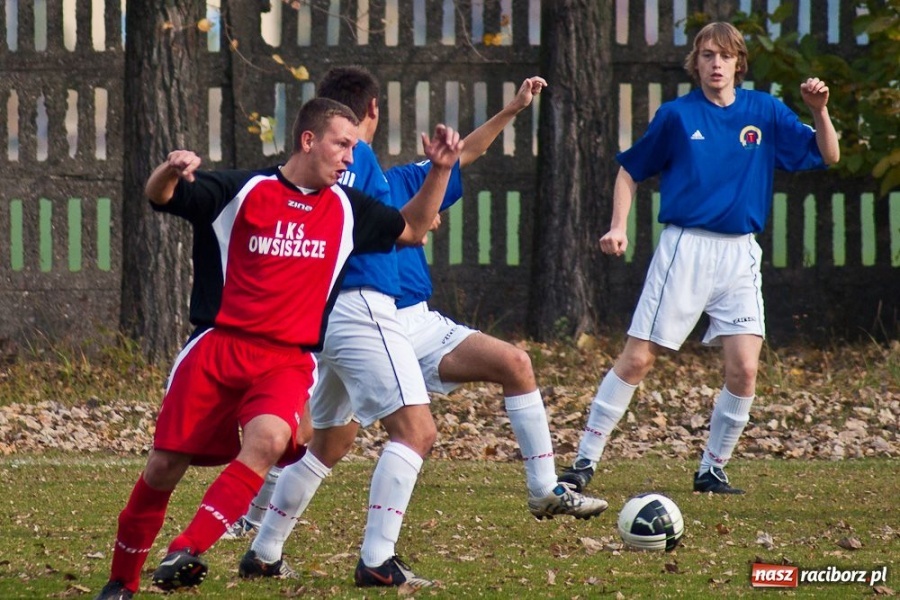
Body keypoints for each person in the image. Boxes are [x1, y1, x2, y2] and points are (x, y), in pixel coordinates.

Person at [236, 68, 608, 590]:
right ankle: (376, 560)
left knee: (329, 443)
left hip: (338, 317)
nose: (345, 153)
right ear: (372, 111)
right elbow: (408, 230)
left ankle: (264, 551)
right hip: (364, 309)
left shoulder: (319, 174)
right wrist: (430, 192)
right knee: (416, 432)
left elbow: (413, 209)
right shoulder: (358, 161)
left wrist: (498, 120)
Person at [93, 97, 464, 600]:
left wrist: (440, 170)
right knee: (163, 467)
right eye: (341, 145)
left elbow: (414, 228)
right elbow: (161, 196)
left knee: (269, 440)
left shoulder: (347, 208)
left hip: (286, 360)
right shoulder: (242, 190)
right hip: (218, 348)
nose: (350, 157)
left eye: (353, 147)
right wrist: (170, 169)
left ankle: (187, 549)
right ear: (308, 140)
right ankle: (122, 581)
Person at [558, 21, 839, 496]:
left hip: (740, 253)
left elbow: (828, 154)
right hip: (685, 248)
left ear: (738, 63)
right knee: (637, 360)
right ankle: (584, 461)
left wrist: (820, 110)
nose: (716, 64)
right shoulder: (677, 115)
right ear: (697, 62)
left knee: (745, 369)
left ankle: (712, 469)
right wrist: (618, 226)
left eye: (725, 56)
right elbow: (629, 170)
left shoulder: (764, 110)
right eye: (707, 55)